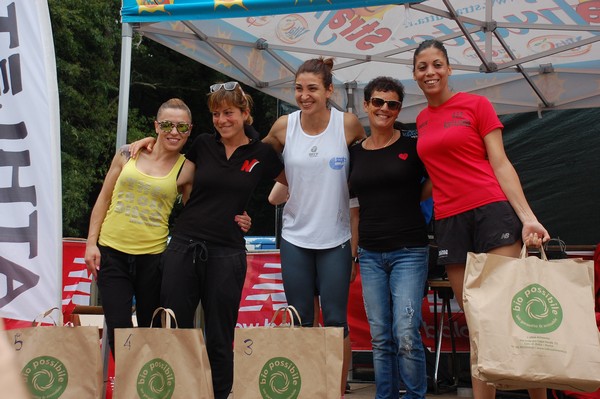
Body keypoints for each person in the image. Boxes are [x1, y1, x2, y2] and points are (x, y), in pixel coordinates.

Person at [412, 39, 550, 399]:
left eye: (437, 64)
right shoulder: (422, 119)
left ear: (449, 68)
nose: (431, 72)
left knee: (511, 317)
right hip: (449, 222)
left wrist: (528, 218)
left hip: (491, 212)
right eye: (423, 66)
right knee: (478, 325)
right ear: (415, 74)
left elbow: (500, 163)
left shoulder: (476, 105)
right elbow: (434, 175)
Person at [132, 82, 284, 399]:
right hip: (184, 246)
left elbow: (291, 185)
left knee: (219, 336)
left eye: (228, 112)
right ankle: (179, 392)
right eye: (215, 113)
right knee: (176, 330)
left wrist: (261, 209)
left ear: (245, 114)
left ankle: (218, 394)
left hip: (226, 254)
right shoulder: (202, 144)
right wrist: (150, 141)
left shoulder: (262, 154)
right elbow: (172, 169)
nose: (221, 120)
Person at [262, 57, 366, 398]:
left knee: (336, 322)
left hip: (336, 239)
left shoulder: (348, 125)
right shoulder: (283, 126)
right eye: (298, 89)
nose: (304, 96)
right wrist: (283, 180)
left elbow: (366, 169)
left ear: (329, 90)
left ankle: (337, 389)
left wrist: (355, 247)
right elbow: (255, 158)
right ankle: (307, 389)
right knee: (301, 320)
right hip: (295, 238)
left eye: (312, 89)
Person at [84, 98, 193, 356]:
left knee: (150, 329)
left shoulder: (187, 168)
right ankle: (126, 388)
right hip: (112, 252)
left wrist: (238, 216)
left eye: (182, 127)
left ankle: (147, 389)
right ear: (156, 126)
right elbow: (104, 198)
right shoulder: (127, 153)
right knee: (119, 330)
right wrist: (91, 243)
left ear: (190, 130)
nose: (174, 132)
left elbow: (195, 214)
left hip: (153, 259)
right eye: (167, 125)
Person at [348, 76, 431, 399]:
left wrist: (413, 198)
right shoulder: (354, 153)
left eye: (392, 104)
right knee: (381, 337)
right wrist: (354, 253)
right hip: (369, 253)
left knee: (406, 332)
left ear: (399, 109)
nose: (385, 108)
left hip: (409, 250)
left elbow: (436, 181)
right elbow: (353, 208)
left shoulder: (413, 146)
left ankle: (414, 396)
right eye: (378, 102)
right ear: (366, 105)